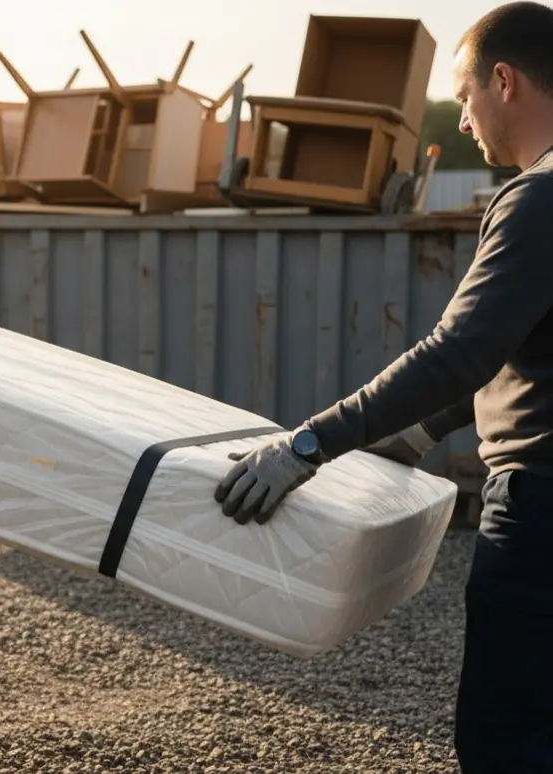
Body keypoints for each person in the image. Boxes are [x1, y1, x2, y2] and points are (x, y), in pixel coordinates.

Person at [212, 2, 553, 769]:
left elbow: (455, 353)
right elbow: (521, 351)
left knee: (510, 737)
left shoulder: (538, 199)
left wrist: (307, 445)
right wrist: (422, 432)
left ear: (504, 81)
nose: (462, 123)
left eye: (464, 99)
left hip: (544, 509)